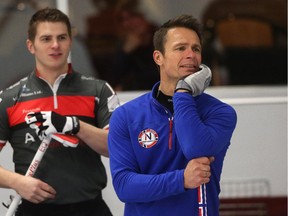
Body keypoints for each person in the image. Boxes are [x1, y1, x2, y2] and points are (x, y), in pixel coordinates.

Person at [108, 14, 237, 216]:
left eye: (196, 49)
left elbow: (196, 148)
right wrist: (181, 180)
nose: (190, 55)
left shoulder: (220, 112)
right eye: (180, 48)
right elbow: (124, 186)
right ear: (158, 57)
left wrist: (183, 92)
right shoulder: (126, 115)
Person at [0, 8, 120, 216]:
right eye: (46, 39)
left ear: (70, 41)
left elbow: (117, 147)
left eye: (62, 37)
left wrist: (74, 126)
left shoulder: (98, 90)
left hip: (90, 208)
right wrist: (17, 182)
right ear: (31, 46)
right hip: (34, 210)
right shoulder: (10, 98)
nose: (55, 45)